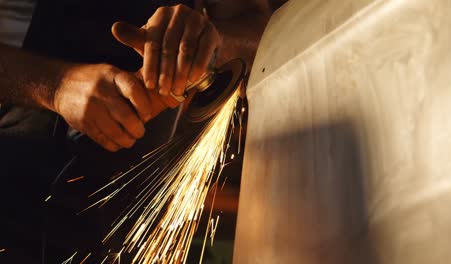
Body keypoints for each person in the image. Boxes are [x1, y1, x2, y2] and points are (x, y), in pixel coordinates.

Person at [0, 0, 288, 262]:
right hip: (14, 182)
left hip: (133, 200)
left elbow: (258, 29)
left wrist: (204, 46)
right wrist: (55, 85)